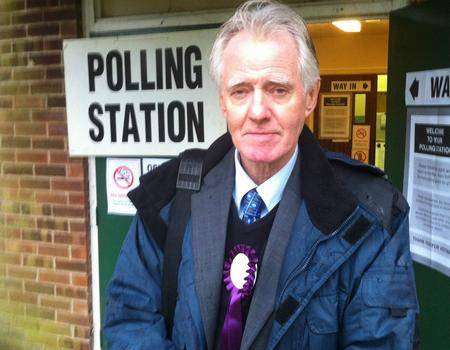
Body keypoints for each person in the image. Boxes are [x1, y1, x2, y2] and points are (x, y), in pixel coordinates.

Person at [103, 1, 419, 349]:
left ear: (310, 96)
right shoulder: (170, 195)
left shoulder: (369, 217)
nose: (257, 112)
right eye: (240, 91)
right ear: (223, 101)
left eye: (278, 90)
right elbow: (129, 321)